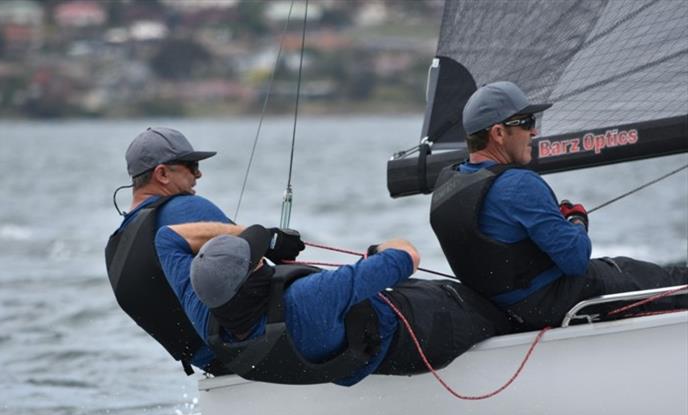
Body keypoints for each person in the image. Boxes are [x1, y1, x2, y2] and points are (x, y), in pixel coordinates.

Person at [429, 81, 687, 328]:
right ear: (498, 133)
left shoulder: (446, 185)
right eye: (527, 123)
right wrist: (577, 221)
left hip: (502, 308)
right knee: (662, 280)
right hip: (549, 303)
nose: (535, 132)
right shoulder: (518, 184)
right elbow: (576, 260)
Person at [155, 221, 513, 386]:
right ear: (254, 271)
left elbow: (166, 238)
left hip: (357, 359)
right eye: (256, 255)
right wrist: (381, 251)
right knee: (497, 308)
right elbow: (407, 256)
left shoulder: (201, 307)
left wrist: (255, 239)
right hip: (424, 333)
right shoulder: (311, 297)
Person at [104, 127, 233, 376]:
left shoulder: (117, 246)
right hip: (259, 351)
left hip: (213, 364)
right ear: (162, 174)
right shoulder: (184, 209)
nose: (199, 174)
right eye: (191, 165)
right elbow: (257, 257)